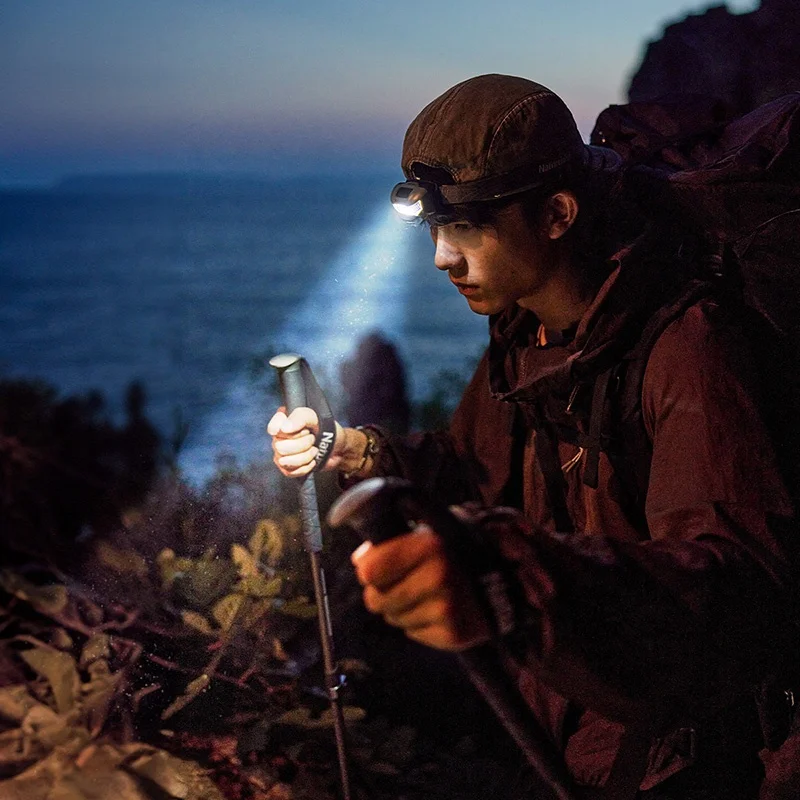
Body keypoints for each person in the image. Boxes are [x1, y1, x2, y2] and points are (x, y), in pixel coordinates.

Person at [267, 75, 798, 798]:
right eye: (435, 229)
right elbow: (476, 468)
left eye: (469, 228)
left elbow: (733, 591)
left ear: (556, 214)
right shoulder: (527, 333)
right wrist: (358, 451)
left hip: (696, 761)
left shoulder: (689, 345)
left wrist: (515, 585)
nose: (441, 259)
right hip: (578, 734)